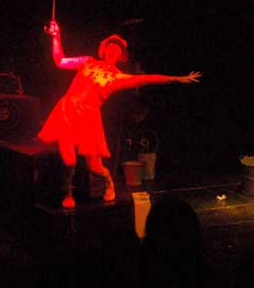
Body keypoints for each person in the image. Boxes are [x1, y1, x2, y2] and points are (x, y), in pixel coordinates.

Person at [38, 20, 201, 209]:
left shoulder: (118, 77)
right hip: (68, 110)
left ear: (121, 55)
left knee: (95, 168)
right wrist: (56, 36)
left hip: (89, 119)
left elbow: (147, 79)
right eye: (110, 47)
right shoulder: (87, 61)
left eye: (117, 49)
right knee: (69, 160)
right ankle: (67, 192)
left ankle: (108, 180)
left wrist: (177, 79)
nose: (112, 50)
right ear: (103, 50)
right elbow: (59, 60)